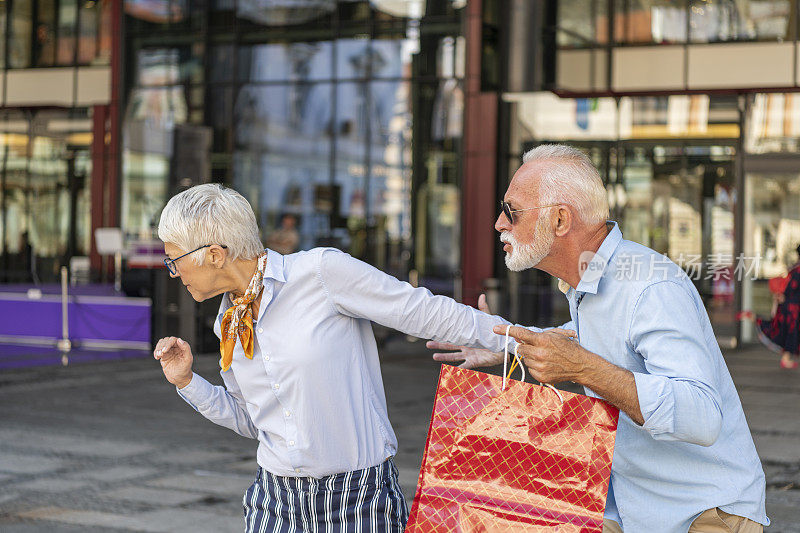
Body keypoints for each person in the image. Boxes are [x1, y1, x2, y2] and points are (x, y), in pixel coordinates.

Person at [428, 144, 768, 532]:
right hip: (632, 505)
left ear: (559, 220)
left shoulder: (650, 286)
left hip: (703, 513)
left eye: (511, 211)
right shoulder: (588, 282)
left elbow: (700, 416)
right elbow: (585, 345)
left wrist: (583, 369)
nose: (499, 224)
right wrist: (504, 344)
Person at [152, 183, 513, 533]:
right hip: (275, 503)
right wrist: (187, 381)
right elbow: (252, 420)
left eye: (175, 259)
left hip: (358, 501)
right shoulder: (228, 322)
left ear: (214, 254)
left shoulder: (321, 273)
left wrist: (518, 339)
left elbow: (422, 311)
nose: (173, 271)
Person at [742, 245, 800, 369]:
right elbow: (794, 291)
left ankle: (753, 317)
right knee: (789, 332)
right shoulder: (797, 271)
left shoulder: (794, 269)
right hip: (792, 309)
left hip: (788, 307)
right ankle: (754, 317)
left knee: (784, 330)